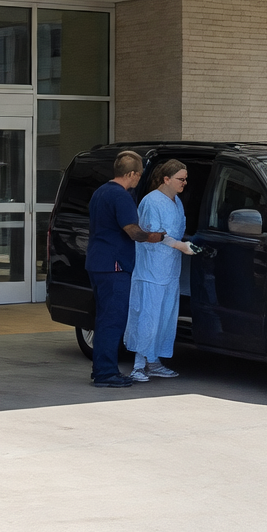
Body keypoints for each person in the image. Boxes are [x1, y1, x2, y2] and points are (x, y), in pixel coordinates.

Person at [83, 150, 150, 388]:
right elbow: (132, 230)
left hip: (97, 262)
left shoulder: (100, 192)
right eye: (139, 175)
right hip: (115, 265)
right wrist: (155, 236)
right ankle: (105, 373)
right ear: (131, 173)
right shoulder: (121, 196)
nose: (138, 180)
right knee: (112, 320)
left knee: (103, 319)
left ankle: (102, 369)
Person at [127, 160, 194, 378]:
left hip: (170, 270)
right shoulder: (151, 202)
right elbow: (154, 234)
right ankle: (138, 365)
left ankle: (154, 362)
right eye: (180, 179)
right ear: (166, 179)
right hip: (151, 271)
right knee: (148, 316)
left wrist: (184, 244)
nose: (184, 183)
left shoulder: (177, 202)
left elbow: (176, 230)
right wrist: (180, 246)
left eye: (185, 179)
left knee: (164, 317)